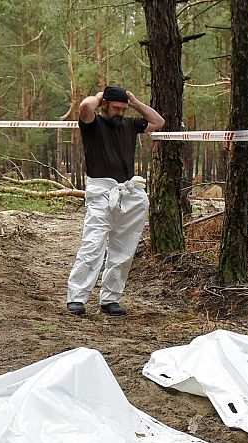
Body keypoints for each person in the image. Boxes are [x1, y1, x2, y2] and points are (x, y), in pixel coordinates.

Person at [66, 84, 163, 316]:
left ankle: (110, 298)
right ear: (105, 105)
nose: (120, 113)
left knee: (123, 249)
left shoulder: (129, 124)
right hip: (101, 194)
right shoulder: (92, 124)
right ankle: (77, 297)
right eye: (116, 108)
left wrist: (135, 103)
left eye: (123, 109)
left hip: (128, 195)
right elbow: (84, 106)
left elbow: (158, 122)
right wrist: (100, 96)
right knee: (92, 246)